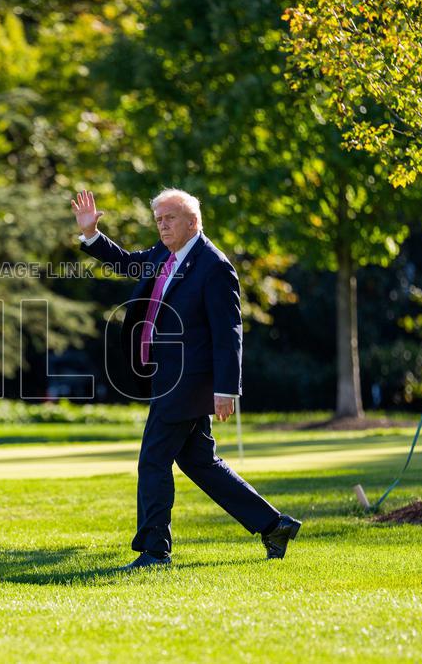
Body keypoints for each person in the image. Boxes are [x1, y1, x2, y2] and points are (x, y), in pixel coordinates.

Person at [71, 188, 301, 570]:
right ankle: (274, 526)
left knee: (153, 460)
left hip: (188, 383)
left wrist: (226, 389)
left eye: (169, 219)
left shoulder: (214, 265)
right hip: (167, 378)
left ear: (192, 222)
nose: (162, 226)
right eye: (158, 219)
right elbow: (128, 263)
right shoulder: (164, 255)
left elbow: (229, 332)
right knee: (200, 463)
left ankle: (155, 551)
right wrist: (91, 235)